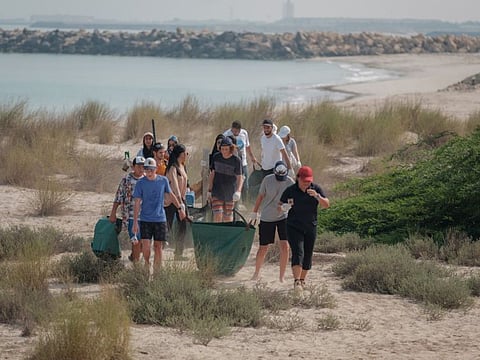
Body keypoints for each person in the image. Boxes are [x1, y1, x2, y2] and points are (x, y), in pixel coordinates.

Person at [279, 165, 330, 292]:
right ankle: (296, 282)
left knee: (308, 254)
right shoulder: (291, 190)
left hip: (310, 226)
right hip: (293, 226)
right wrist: (284, 207)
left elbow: (327, 204)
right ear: (298, 178)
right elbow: (279, 205)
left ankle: (302, 280)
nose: (306, 183)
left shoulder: (316, 189)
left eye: (308, 181)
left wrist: (317, 197)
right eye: (304, 181)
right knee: (298, 252)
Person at [133, 157, 186, 270]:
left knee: (158, 246)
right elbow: (137, 202)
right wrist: (135, 222)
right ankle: (147, 264)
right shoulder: (140, 183)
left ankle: (158, 272)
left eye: (151, 169)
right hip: (145, 219)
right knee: (146, 246)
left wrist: (180, 208)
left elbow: (171, 195)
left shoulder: (163, 181)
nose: (149, 172)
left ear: (156, 169)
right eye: (147, 169)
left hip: (160, 219)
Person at [249, 160, 294, 282]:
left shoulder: (290, 182)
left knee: (285, 246)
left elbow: (292, 201)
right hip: (267, 217)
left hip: (283, 217)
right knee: (263, 247)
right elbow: (260, 196)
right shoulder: (267, 180)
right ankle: (256, 273)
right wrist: (254, 212)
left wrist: (286, 207)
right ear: (275, 172)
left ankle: (281, 276)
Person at [109, 156, 145, 262]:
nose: (141, 169)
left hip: (145, 216)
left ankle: (134, 256)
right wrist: (113, 212)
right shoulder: (126, 179)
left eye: (143, 166)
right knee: (136, 240)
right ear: (133, 167)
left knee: (144, 243)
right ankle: (136, 267)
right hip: (130, 215)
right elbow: (119, 196)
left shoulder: (147, 179)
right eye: (139, 166)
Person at [207, 137, 243, 223]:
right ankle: (218, 234)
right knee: (217, 214)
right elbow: (212, 174)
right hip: (217, 190)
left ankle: (226, 234)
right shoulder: (216, 157)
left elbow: (239, 177)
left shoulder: (236, 160)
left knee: (228, 216)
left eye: (226, 149)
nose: (224, 151)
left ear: (231, 148)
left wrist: (238, 191)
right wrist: (209, 190)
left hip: (230, 192)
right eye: (222, 149)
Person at [164, 144, 189, 259]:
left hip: (181, 199)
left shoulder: (182, 166)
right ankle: (159, 245)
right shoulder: (173, 168)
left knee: (183, 224)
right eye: (185, 153)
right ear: (180, 154)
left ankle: (178, 252)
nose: (186, 155)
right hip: (171, 200)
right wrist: (179, 203)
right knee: (167, 225)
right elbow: (174, 186)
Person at [223, 121, 257, 199]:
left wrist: (252, 156)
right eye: (234, 131)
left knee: (245, 184)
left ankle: (245, 201)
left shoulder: (244, 133)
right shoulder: (226, 135)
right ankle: (233, 202)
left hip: (243, 162)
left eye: (237, 131)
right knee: (233, 184)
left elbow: (247, 146)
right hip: (231, 164)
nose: (235, 133)